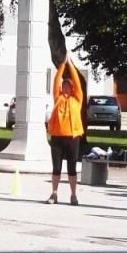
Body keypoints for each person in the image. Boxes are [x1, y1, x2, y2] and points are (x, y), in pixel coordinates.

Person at [46, 54, 84, 205]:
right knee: (56, 167)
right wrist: (62, 65)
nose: (66, 86)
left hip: (73, 137)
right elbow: (56, 81)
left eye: (68, 85)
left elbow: (78, 83)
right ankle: (54, 194)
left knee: (72, 168)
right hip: (57, 137)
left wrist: (71, 66)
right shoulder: (58, 98)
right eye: (64, 85)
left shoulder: (77, 99)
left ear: (72, 87)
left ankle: (73, 195)